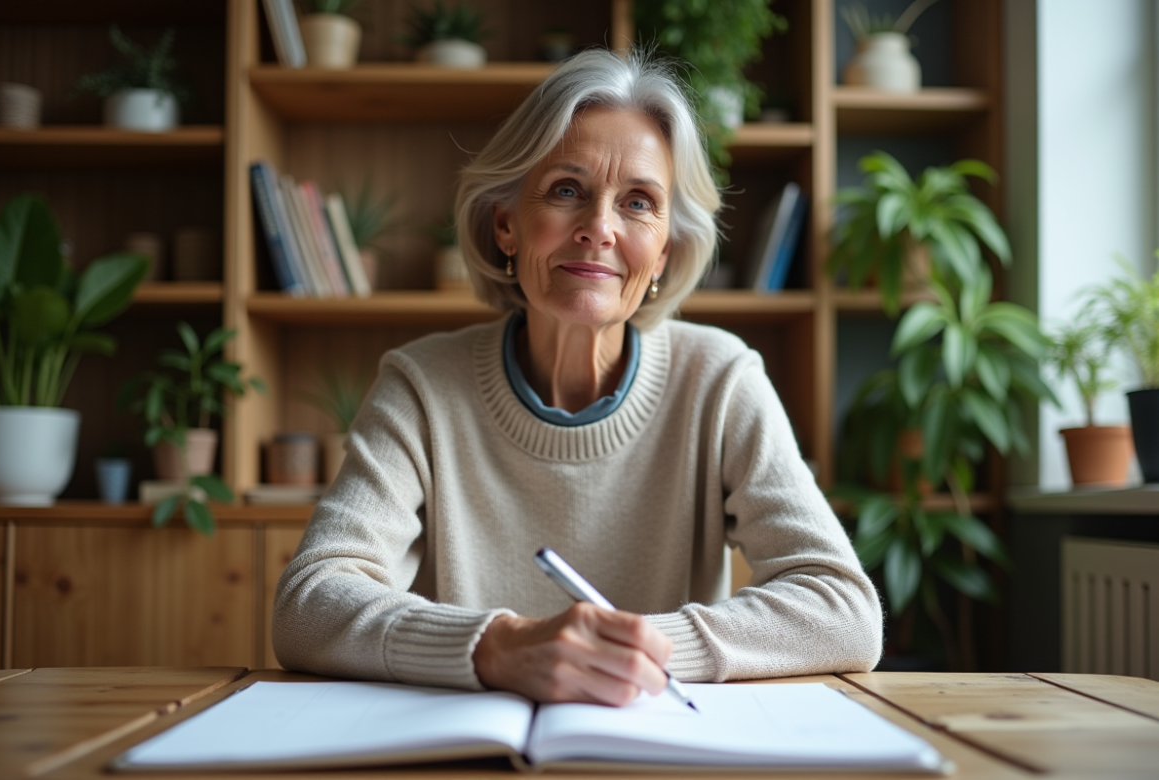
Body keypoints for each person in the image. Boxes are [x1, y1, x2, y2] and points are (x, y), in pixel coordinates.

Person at [273, 49, 882, 706]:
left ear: (664, 253)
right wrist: (499, 646)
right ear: (506, 224)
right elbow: (309, 602)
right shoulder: (422, 386)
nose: (599, 229)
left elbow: (843, 608)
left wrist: (627, 650)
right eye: (567, 190)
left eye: (639, 202)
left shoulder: (722, 380)